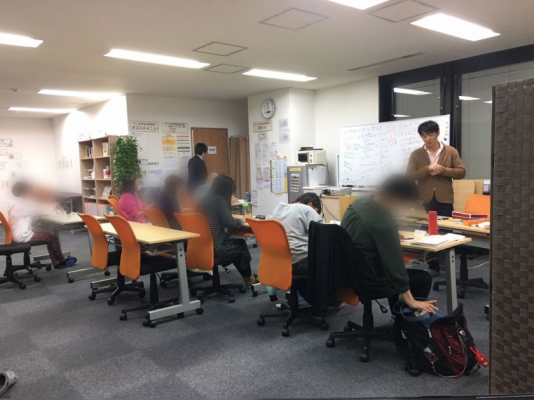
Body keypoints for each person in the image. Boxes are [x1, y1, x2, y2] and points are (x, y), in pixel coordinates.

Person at [341, 175, 437, 314]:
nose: (405, 209)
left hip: (347, 273)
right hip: (368, 279)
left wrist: (388, 236)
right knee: (422, 278)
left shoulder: (360, 202)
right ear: (396, 199)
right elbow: (394, 265)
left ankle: (395, 315)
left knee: (395, 273)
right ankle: (404, 321)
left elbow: (366, 229)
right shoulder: (385, 224)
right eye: (406, 204)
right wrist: (410, 300)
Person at [200, 174, 257, 286]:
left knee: (236, 247)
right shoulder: (218, 200)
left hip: (203, 247)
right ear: (226, 190)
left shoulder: (204, 199)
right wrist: (243, 219)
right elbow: (230, 223)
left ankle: (248, 277)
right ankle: (248, 278)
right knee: (241, 245)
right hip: (216, 248)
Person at [7, 181, 77, 269]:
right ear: (25, 192)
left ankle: (59, 260)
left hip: (15, 234)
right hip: (22, 236)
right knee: (51, 238)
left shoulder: (15, 202)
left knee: (49, 235)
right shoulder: (23, 204)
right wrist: (54, 204)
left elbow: (34, 211)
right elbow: (42, 208)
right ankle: (60, 262)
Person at [269, 193, 323, 302]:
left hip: (278, 261)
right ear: (311, 204)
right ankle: (324, 301)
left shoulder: (280, 209)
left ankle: (312, 299)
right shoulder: (307, 209)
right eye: (316, 211)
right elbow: (322, 235)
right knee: (330, 260)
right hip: (298, 262)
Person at [407, 120, 466, 217]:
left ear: (437, 133)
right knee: (425, 225)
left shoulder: (451, 151)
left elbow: (461, 172)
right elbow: (409, 176)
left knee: (446, 225)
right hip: (424, 199)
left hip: (445, 199)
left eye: (431, 135)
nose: (427, 139)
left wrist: (443, 171)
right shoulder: (416, 154)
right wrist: (427, 169)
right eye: (424, 136)